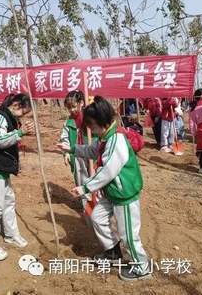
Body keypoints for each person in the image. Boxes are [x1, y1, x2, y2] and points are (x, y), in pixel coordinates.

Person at [56, 97, 151, 281]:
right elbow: (91, 152)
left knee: (128, 234)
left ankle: (142, 267)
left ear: (101, 122)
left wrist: (85, 188)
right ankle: (113, 251)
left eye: (92, 126)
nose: (90, 130)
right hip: (110, 191)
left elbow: (107, 172)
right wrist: (71, 149)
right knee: (95, 214)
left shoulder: (116, 141)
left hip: (124, 194)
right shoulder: (104, 137)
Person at [0, 93, 33, 262]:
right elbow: (0, 140)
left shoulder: (8, 118)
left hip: (2, 169)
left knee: (9, 203)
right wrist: (20, 132)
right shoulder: (0, 117)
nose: (24, 116)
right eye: (24, 111)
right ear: (16, 105)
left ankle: (10, 235)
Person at [59, 91, 92, 211]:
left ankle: (98, 206)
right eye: (69, 108)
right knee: (81, 181)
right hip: (77, 155)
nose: (71, 110)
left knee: (96, 179)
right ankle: (87, 208)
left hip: (92, 154)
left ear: (81, 103)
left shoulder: (90, 117)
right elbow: (65, 138)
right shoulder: (69, 122)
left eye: (73, 106)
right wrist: (66, 153)